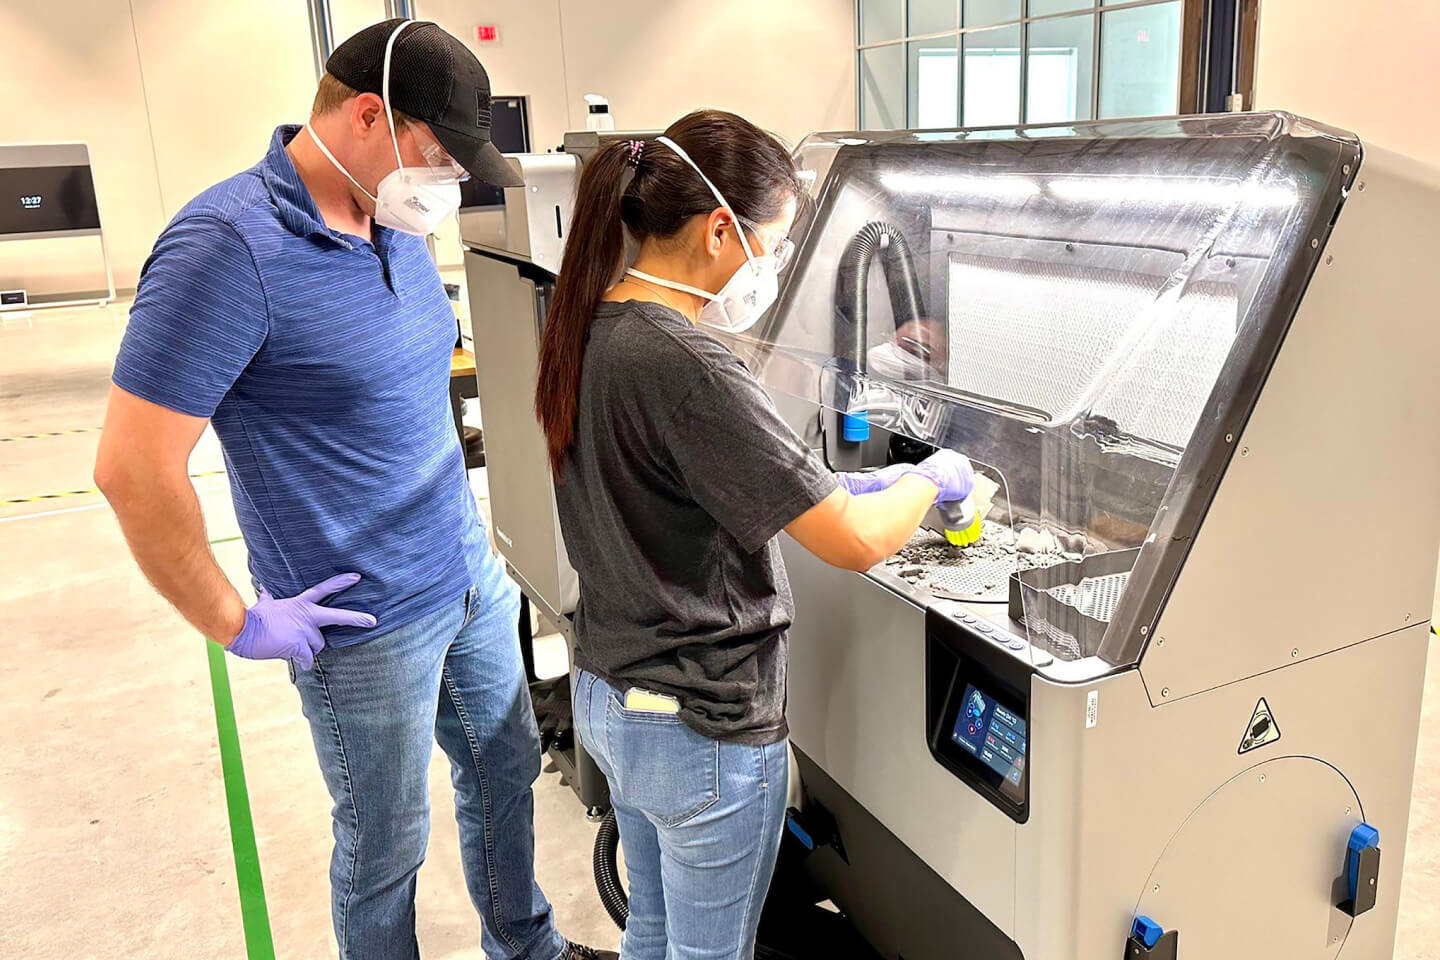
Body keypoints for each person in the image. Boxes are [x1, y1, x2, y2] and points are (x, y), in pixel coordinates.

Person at [95, 19, 613, 960]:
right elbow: (132, 468)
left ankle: (525, 946)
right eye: (439, 155)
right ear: (370, 115)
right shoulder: (225, 246)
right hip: (362, 624)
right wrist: (238, 622)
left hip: (467, 575)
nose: (451, 181)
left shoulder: (390, 218)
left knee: (503, 776)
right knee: (385, 843)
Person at [533, 110, 974, 960]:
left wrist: (849, 483)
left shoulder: (590, 324)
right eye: (770, 242)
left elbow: (680, 487)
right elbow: (850, 542)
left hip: (613, 698)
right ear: (718, 229)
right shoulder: (690, 364)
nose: (770, 264)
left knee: (654, 933)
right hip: (700, 724)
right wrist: (930, 480)